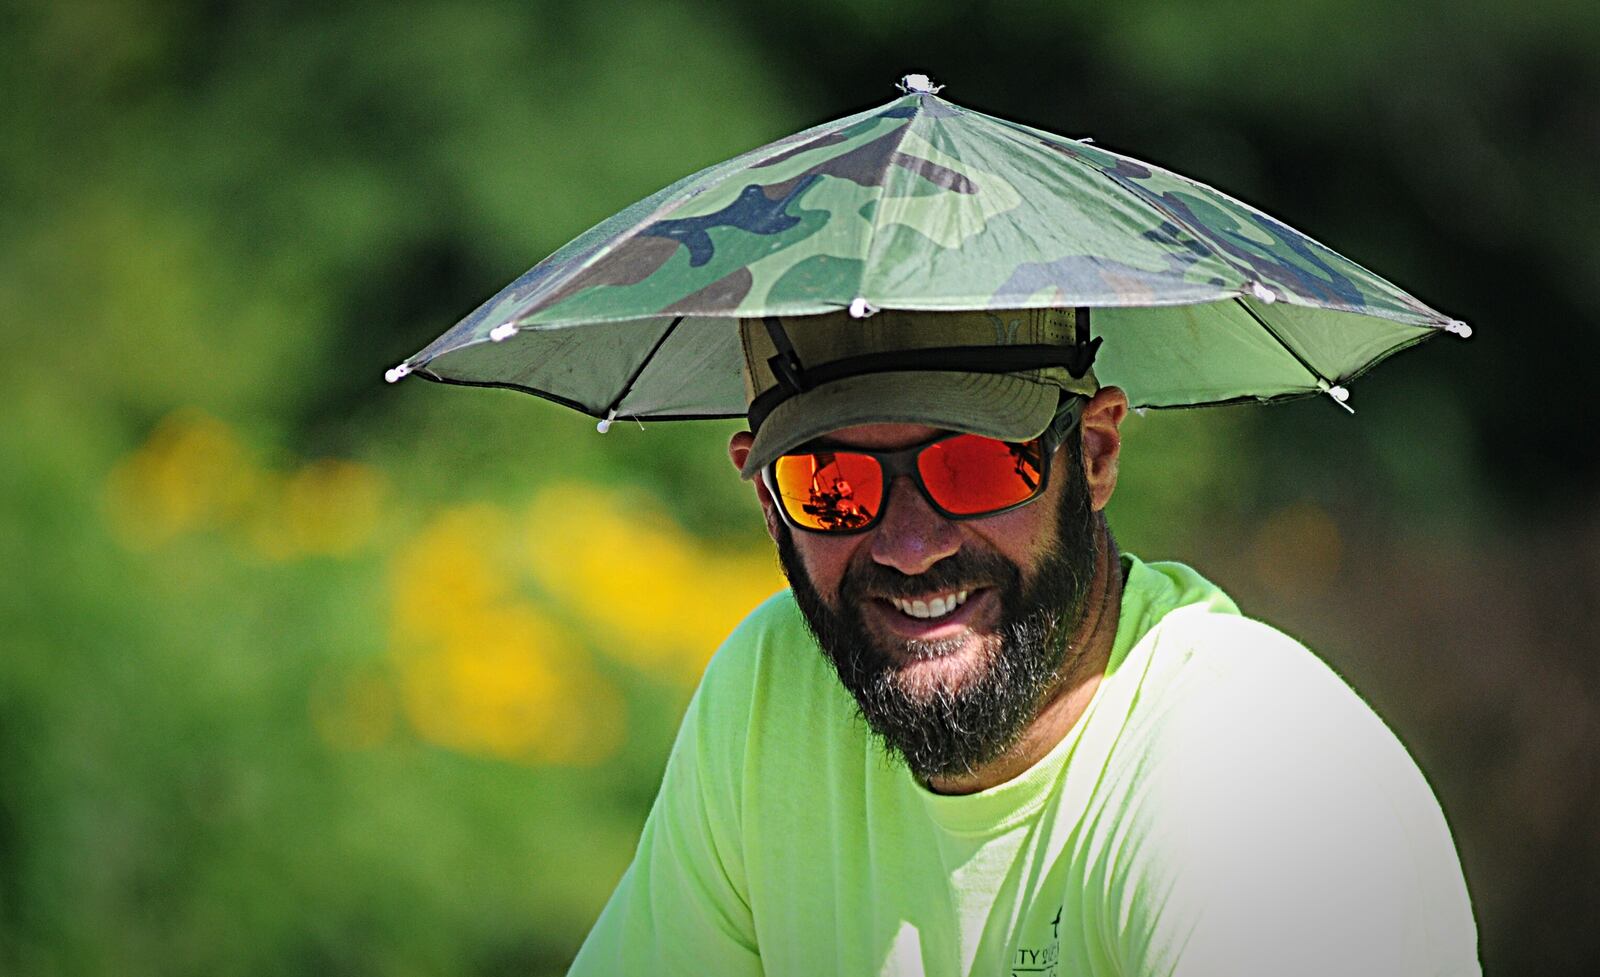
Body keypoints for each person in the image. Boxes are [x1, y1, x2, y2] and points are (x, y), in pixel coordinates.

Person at [567, 307, 1480, 977]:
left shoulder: (1258, 786)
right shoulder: (768, 694)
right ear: (768, 503)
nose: (910, 546)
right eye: (832, 484)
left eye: (971, 465)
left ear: (1093, 454)